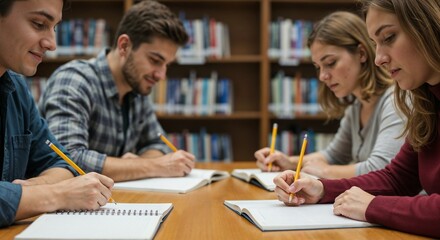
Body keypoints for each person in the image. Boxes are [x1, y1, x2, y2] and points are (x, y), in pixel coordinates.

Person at [273, 0, 440, 238]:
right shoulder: (427, 103)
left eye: (389, 37)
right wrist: (321, 189)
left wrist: (373, 207)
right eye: (376, 43)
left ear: (427, 26)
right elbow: (398, 178)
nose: (379, 59)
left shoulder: (401, 99)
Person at [39, 0, 196, 182]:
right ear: (124, 46)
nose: (161, 75)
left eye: (167, 65)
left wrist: (137, 165)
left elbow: (158, 144)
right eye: (155, 60)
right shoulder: (75, 80)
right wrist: (153, 166)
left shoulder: (137, 87)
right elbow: (68, 159)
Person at [0, 0, 114, 228]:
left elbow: (62, 163)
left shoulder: (18, 90)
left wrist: (26, 192)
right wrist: (56, 195)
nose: (52, 44)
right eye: (38, 23)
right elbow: (62, 184)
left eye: (54, 27)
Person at [255, 11, 405, 179]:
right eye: (318, 67)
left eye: (330, 63)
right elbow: (333, 156)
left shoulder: (396, 101)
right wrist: (288, 162)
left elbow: (381, 169)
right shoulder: (356, 108)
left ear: (362, 53)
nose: (322, 76)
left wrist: (325, 171)